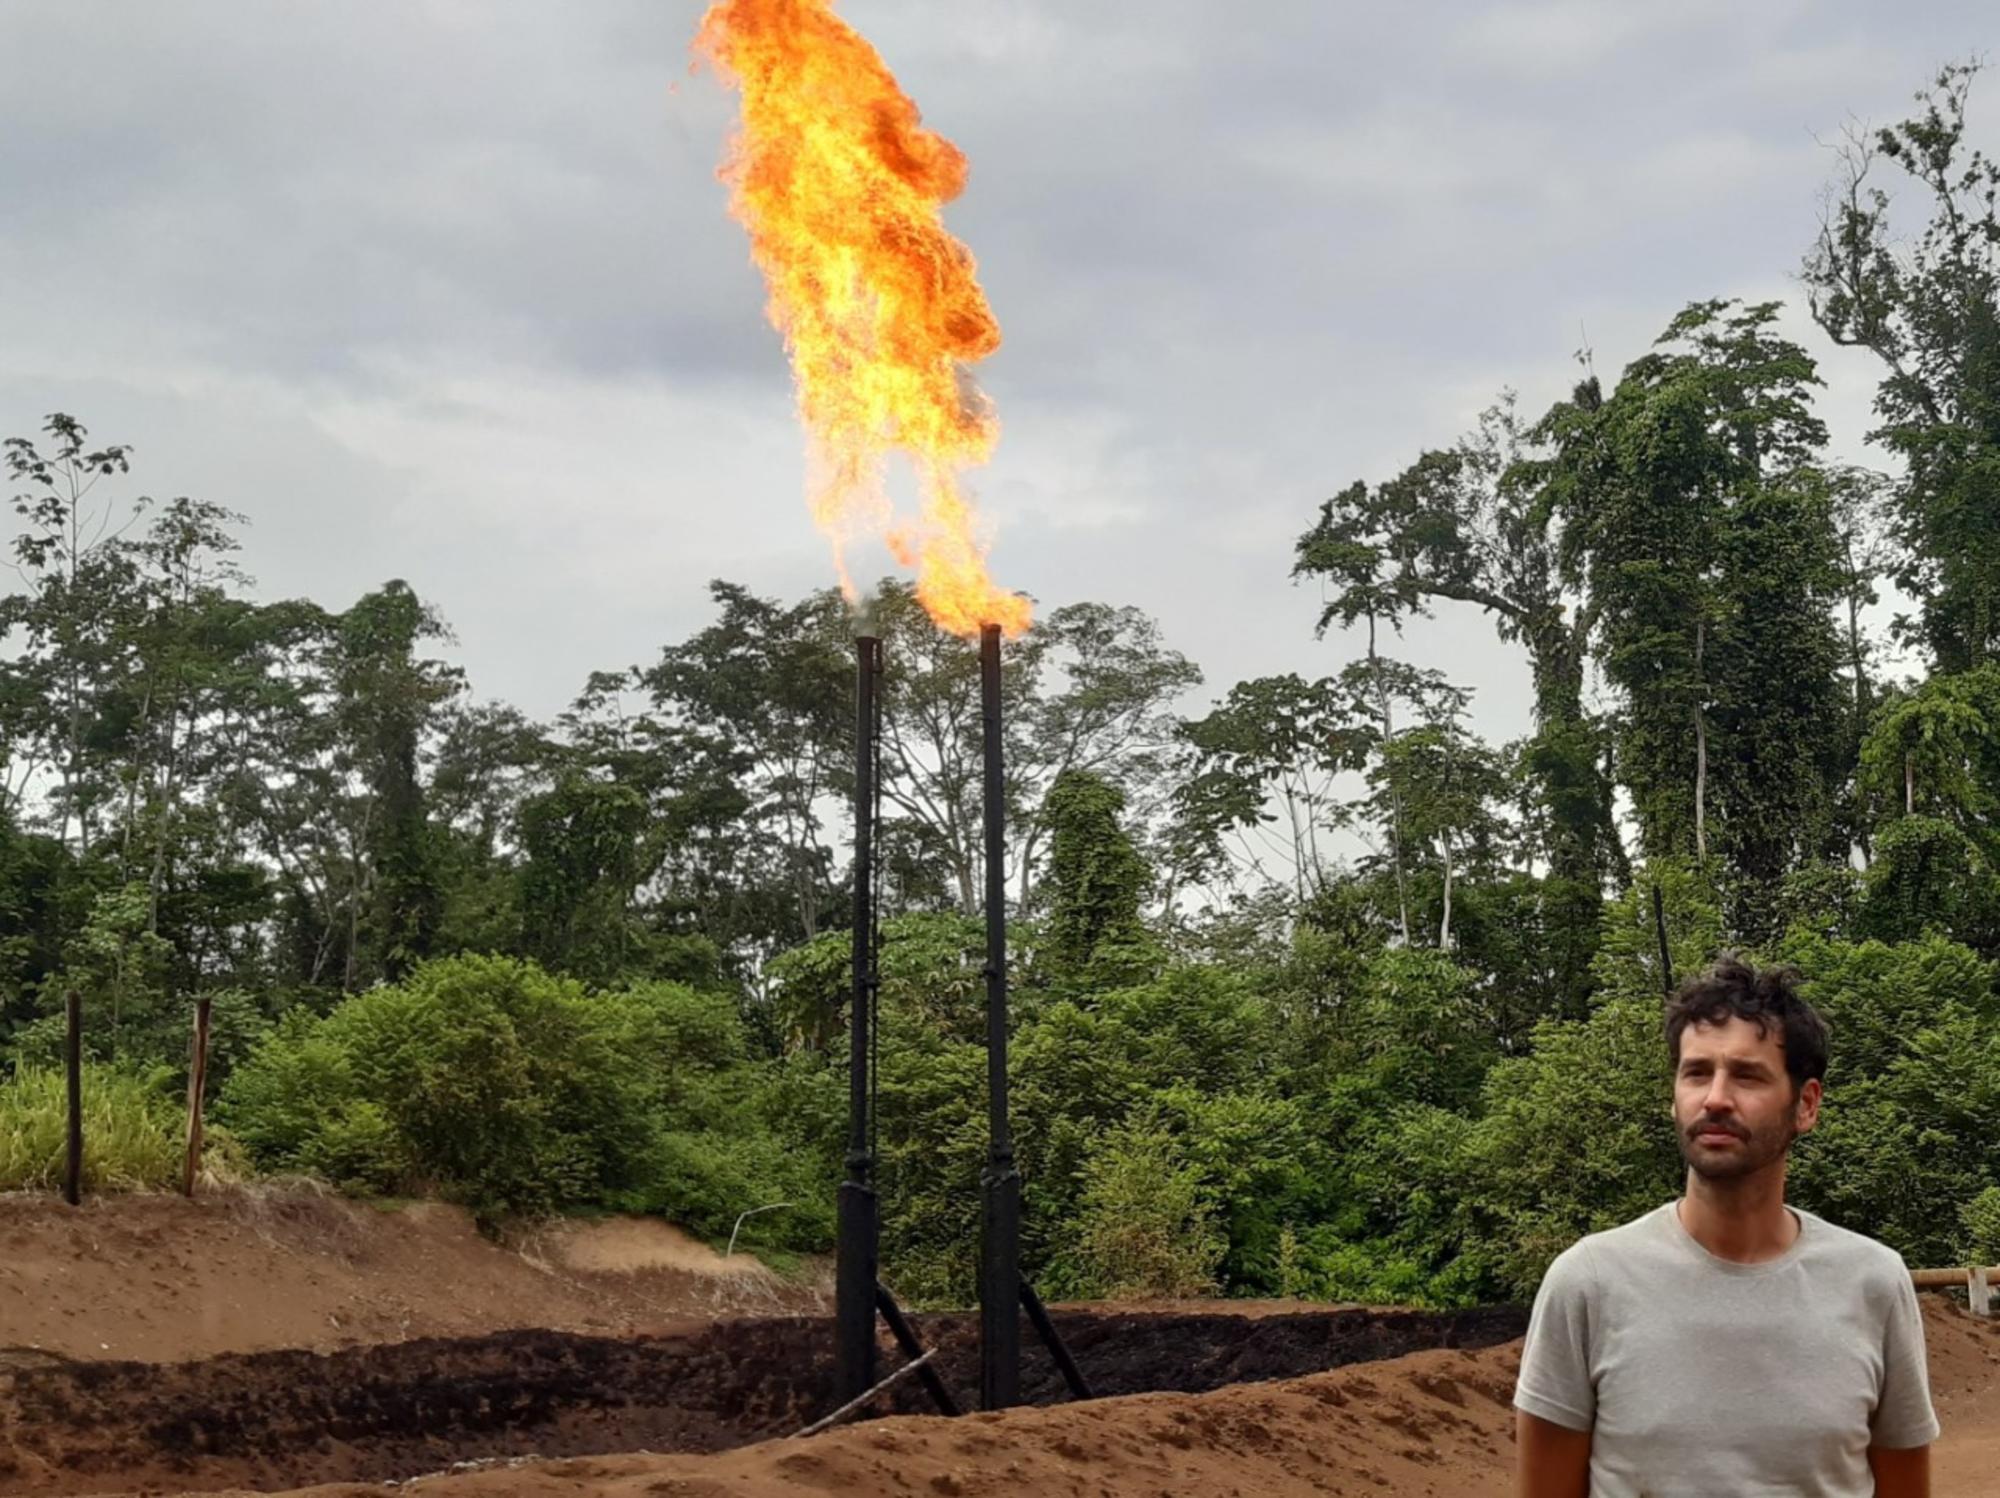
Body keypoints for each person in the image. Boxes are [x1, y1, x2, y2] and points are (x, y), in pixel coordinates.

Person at [1513, 954, 1939, 1497]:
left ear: (1806, 1105)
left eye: (1746, 1075)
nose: (1715, 1098)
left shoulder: (1874, 1282)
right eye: (1696, 1073)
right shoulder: (1588, 1282)